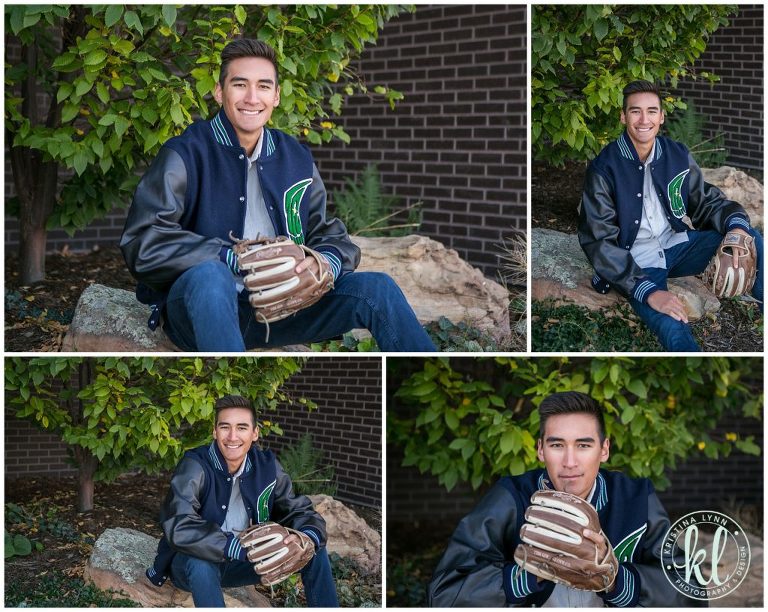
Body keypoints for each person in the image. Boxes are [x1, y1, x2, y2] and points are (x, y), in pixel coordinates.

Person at [120, 38, 436, 352]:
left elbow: (330, 235)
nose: (252, 98)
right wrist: (228, 258)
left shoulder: (296, 158)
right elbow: (143, 242)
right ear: (219, 91)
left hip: (282, 309)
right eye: (240, 85)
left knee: (377, 288)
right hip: (199, 310)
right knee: (211, 276)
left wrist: (323, 263)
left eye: (264, 86)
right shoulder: (184, 153)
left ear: (276, 96)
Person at [427, 391, 701, 607]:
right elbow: (443, 595)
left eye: (583, 445)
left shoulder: (636, 498)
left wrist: (615, 579)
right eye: (557, 445)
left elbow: (690, 589)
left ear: (604, 450)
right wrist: (531, 573)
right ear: (540, 450)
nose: (570, 462)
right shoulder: (511, 496)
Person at [578, 80, 763, 351]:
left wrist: (736, 227)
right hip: (637, 263)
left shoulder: (677, 155)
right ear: (623, 116)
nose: (644, 120)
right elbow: (599, 241)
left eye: (652, 111)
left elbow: (705, 202)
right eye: (635, 111)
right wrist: (650, 292)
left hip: (677, 246)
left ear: (662, 116)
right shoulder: (603, 168)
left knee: (751, 240)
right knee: (673, 324)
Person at [145, 395, 338, 607]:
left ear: (255, 433)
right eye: (225, 427)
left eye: (242, 427)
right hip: (190, 565)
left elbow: (298, 511)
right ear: (215, 431)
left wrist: (305, 538)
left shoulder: (267, 466)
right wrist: (233, 546)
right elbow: (179, 524)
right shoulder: (195, 465)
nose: (232, 436)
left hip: (245, 560)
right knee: (201, 562)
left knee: (311, 548)